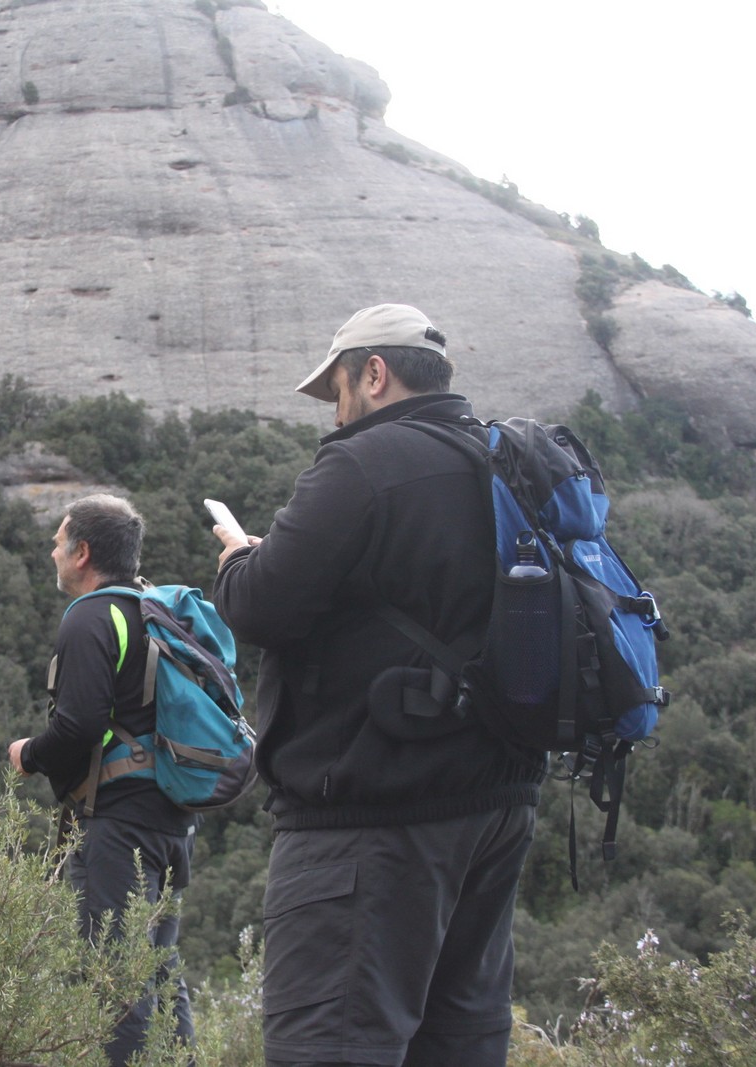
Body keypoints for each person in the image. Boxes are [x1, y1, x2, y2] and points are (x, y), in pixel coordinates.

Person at [210, 304, 546, 1067]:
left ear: (373, 372)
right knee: (458, 1045)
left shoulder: (362, 463)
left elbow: (261, 606)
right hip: (495, 808)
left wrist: (237, 560)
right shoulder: (500, 461)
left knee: (331, 1045)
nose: (336, 413)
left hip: (372, 822)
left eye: (336, 391)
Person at [8, 493, 196, 1066]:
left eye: (58, 541)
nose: (52, 551)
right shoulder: (153, 611)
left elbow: (80, 725)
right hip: (172, 822)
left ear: (82, 552)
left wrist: (28, 754)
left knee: (114, 982)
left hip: (116, 828)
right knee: (158, 973)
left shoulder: (91, 616)